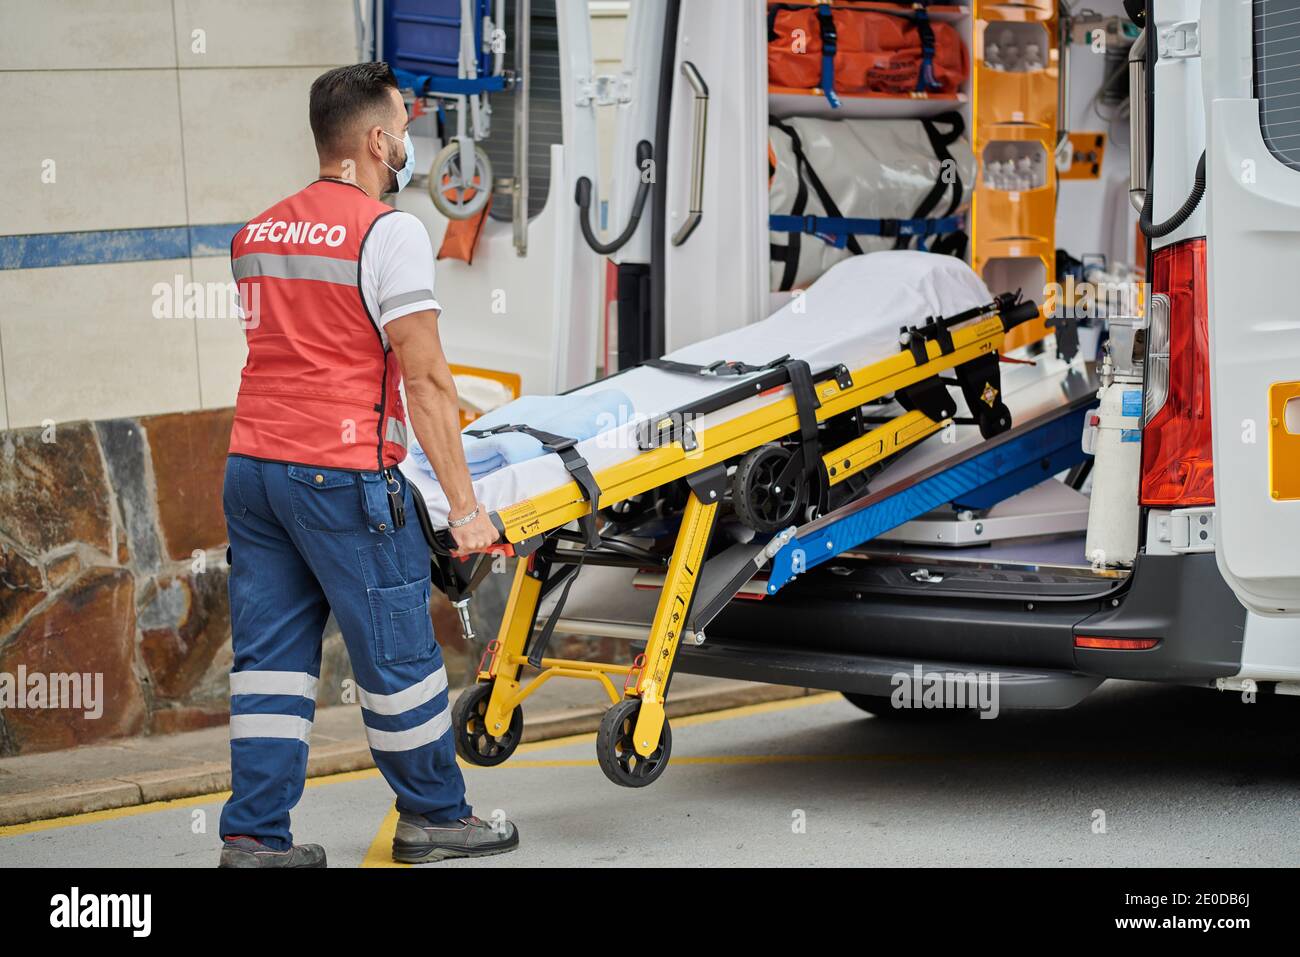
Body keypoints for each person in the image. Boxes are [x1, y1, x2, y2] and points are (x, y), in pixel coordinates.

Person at [216, 62, 517, 867]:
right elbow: (424, 377)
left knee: (270, 666)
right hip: (341, 473)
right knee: (397, 657)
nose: (410, 144)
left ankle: (252, 836)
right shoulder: (388, 232)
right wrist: (465, 509)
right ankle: (437, 817)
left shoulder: (257, 233)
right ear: (378, 140)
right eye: (406, 129)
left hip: (253, 470)